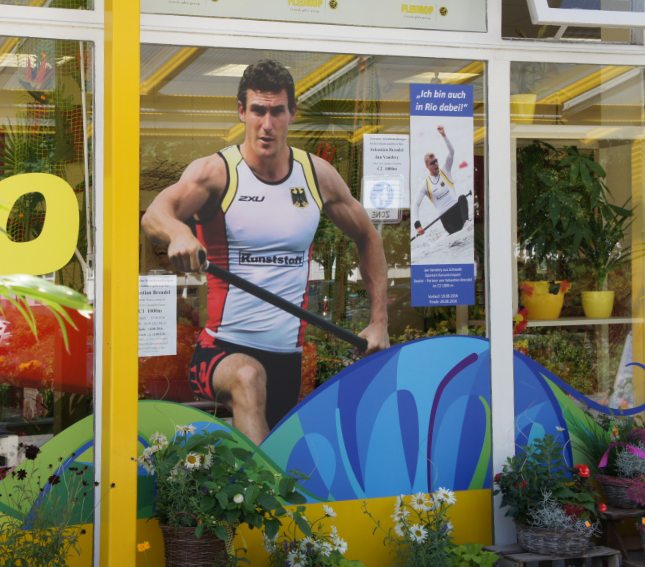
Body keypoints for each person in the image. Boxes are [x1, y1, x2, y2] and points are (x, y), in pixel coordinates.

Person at [141, 59, 389, 445]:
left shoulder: (316, 176)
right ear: (242, 111)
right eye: (258, 110)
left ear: (292, 113)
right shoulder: (217, 173)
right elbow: (156, 213)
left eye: (277, 111)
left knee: (277, 452)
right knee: (248, 378)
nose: (267, 124)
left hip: (288, 360)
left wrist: (379, 322)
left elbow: (369, 237)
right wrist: (178, 233)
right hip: (221, 352)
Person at [412, 125, 469, 237]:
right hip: (447, 219)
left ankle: (466, 223)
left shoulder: (445, 170)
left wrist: (443, 135)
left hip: (458, 212)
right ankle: (453, 233)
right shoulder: (425, 184)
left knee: (462, 197)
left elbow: (451, 152)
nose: (436, 164)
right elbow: (415, 204)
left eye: (436, 161)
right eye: (432, 163)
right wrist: (417, 225)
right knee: (451, 226)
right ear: (427, 166)